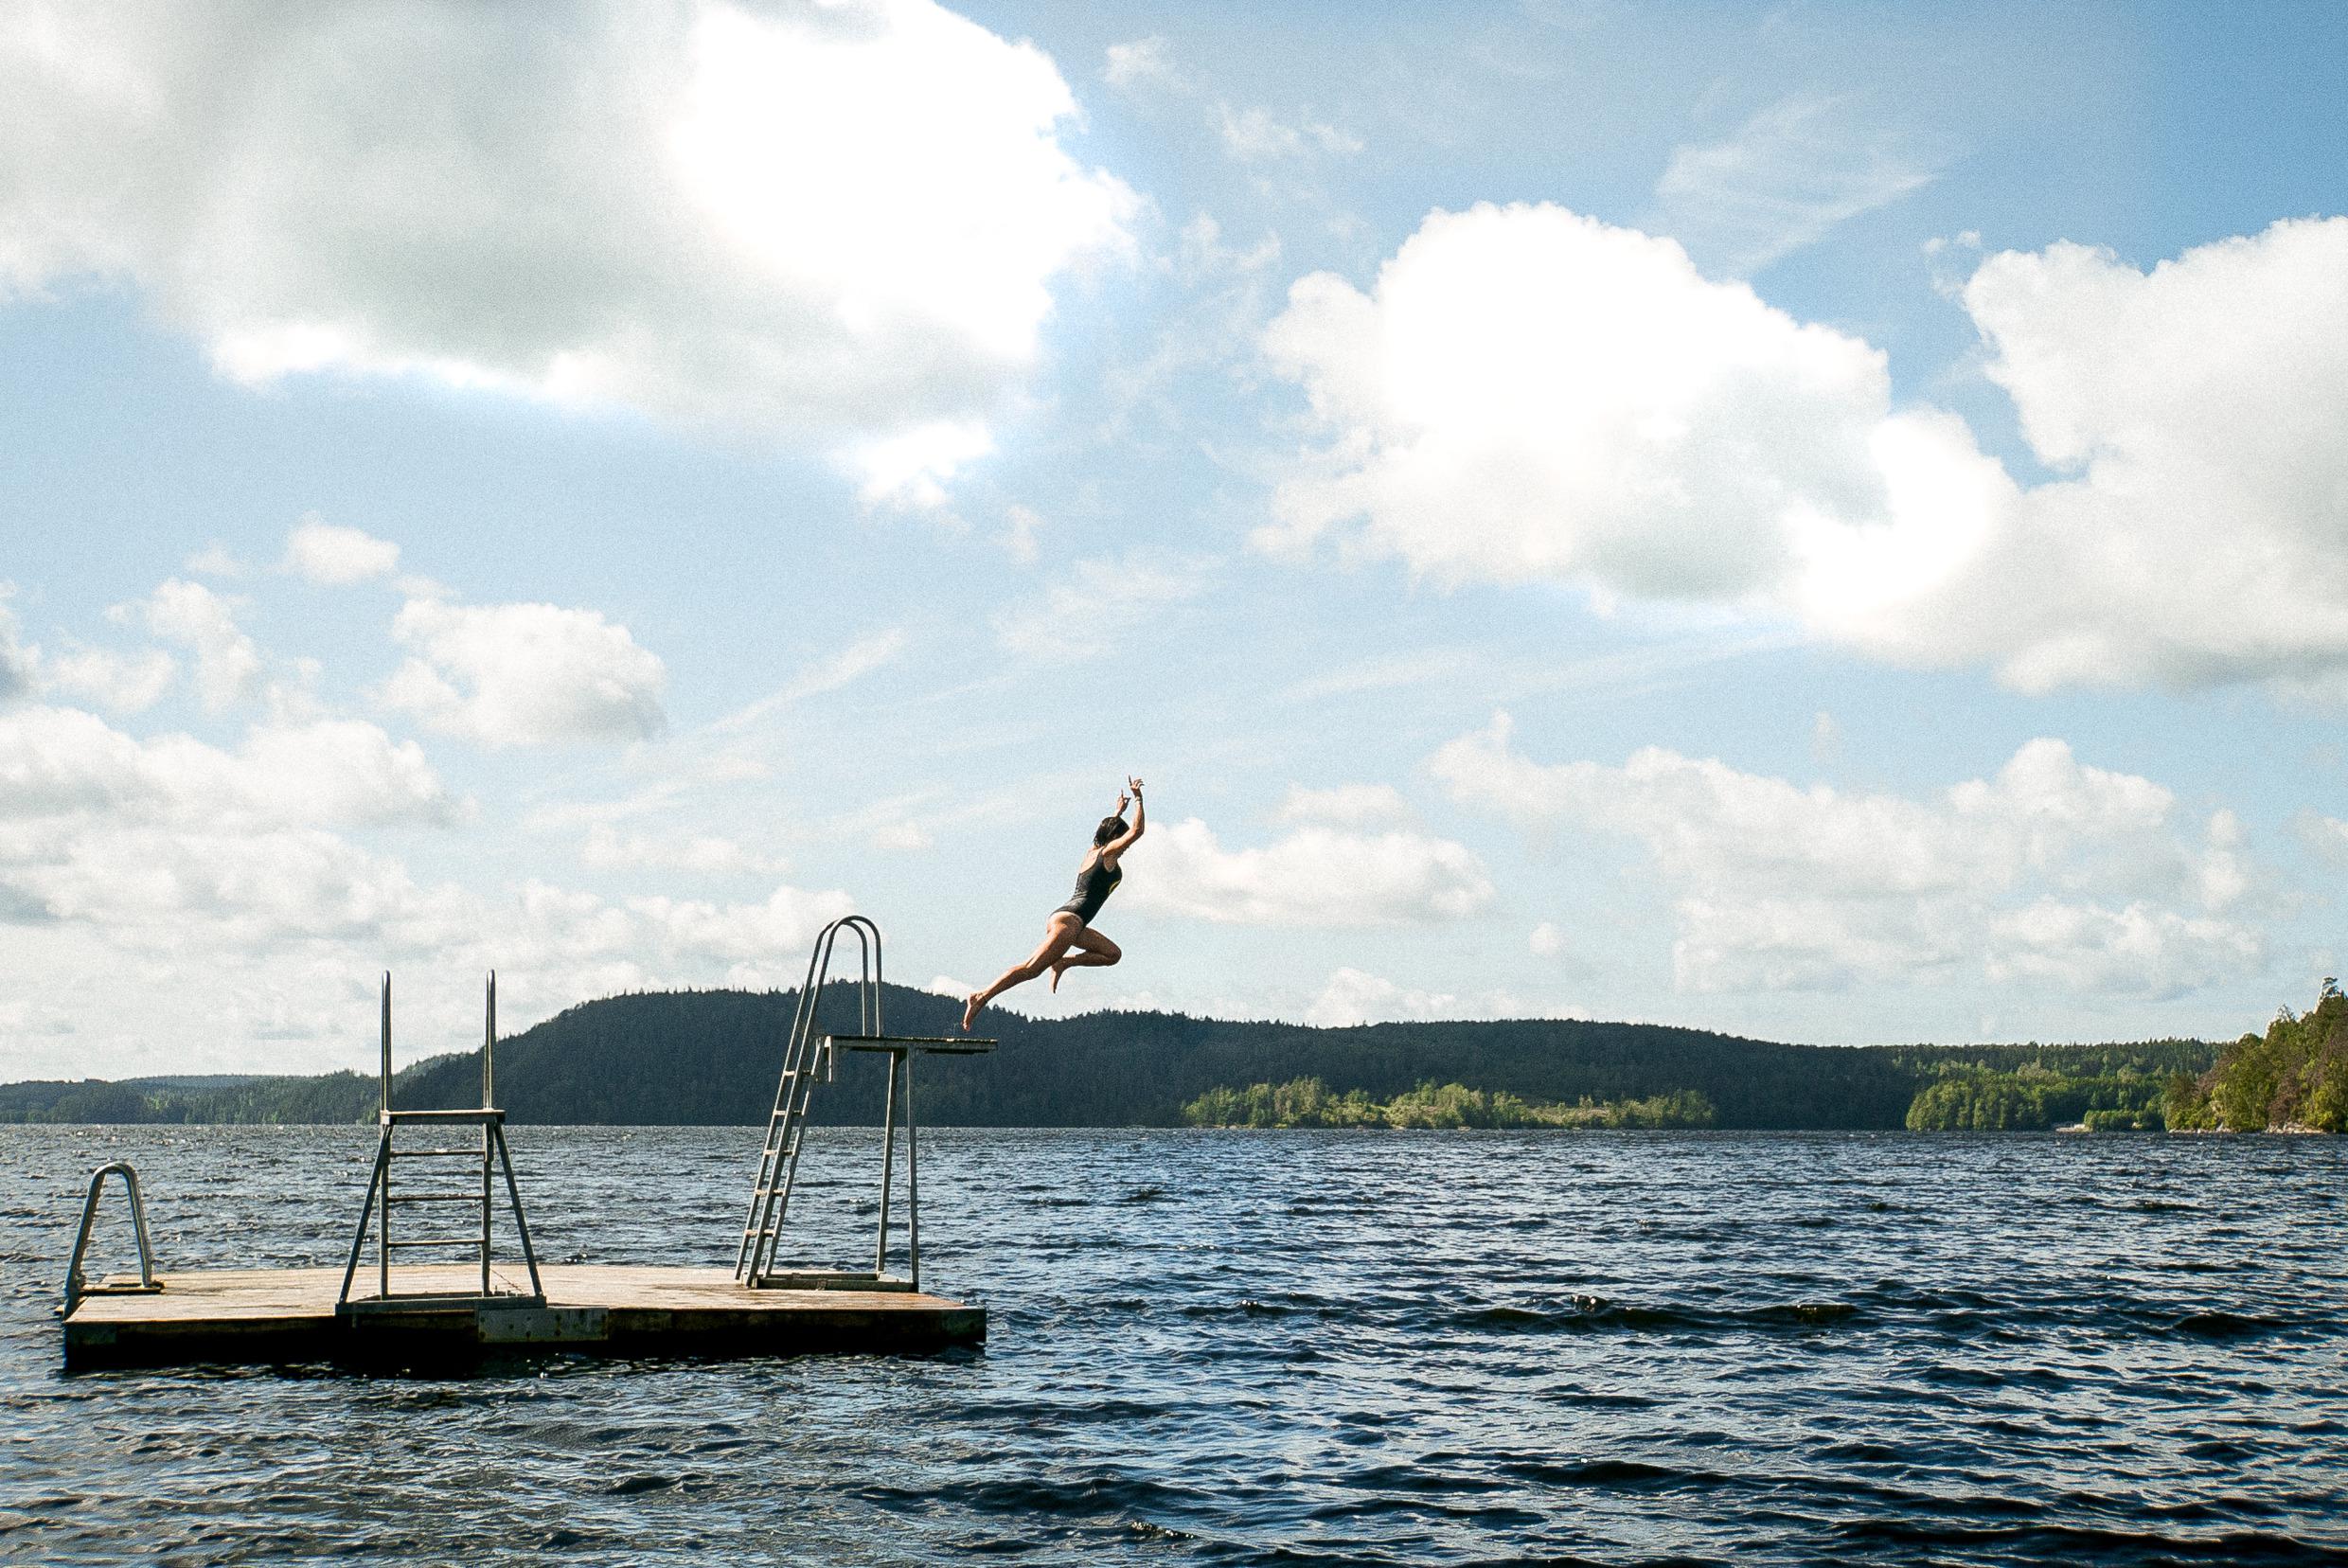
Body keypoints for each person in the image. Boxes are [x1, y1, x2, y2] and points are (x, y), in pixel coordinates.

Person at [964, 776, 1145, 1030]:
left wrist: (1118, 811)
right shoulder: (1106, 854)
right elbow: (1137, 832)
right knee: (1031, 969)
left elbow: (1108, 832)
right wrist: (1138, 798)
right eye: (1119, 840)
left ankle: (1064, 962)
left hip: (1074, 924)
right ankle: (981, 996)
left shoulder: (1093, 852)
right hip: (1069, 921)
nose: (1124, 847)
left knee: (1112, 954)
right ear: (1112, 838)